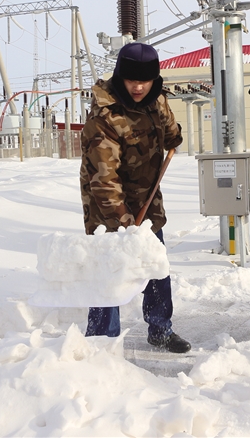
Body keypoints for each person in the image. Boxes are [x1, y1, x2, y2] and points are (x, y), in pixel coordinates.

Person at [79, 42, 191, 354]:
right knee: (110, 273)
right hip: (107, 207)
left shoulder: (157, 99)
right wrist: (126, 225)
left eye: (145, 81)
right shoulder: (104, 117)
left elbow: (170, 132)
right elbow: (104, 180)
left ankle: (160, 329)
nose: (139, 87)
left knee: (155, 265)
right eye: (131, 80)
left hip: (146, 200)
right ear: (120, 77)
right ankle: (101, 341)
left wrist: (173, 134)